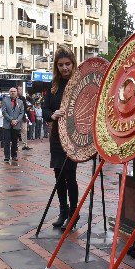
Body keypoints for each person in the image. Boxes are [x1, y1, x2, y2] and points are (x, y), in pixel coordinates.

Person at [42, 46, 80, 230]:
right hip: (56, 138)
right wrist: (53, 114)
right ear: (56, 67)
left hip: (72, 138)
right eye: (60, 65)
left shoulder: (79, 84)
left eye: (67, 64)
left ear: (73, 64)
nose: (64, 68)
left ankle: (74, 213)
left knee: (70, 177)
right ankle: (63, 211)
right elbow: (44, 110)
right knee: (58, 176)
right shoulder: (53, 87)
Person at [1, 87, 24, 162]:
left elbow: (22, 113)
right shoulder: (5, 101)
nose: (13, 92)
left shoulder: (20, 102)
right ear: (9, 92)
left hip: (16, 124)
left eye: (14, 91)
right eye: (11, 91)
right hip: (7, 124)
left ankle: (14, 155)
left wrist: (16, 120)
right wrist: (11, 119)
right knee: (6, 141)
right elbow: (4, 112)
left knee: (15, 141)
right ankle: (7, 156)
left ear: (17, 92)